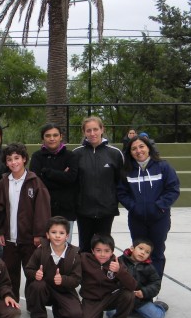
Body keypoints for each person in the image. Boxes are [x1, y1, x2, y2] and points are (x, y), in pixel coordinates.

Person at [117, 135, 180, 278]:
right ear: (130, 152)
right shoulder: (127, 170)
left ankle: (153, 287)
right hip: (137, 219)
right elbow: (121, 193)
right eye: (134, 148)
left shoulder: (163, 167)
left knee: (156, 252)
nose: (138, 151)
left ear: (148, 148)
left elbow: (173, 189)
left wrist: (159, 206)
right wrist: (133, 207)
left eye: (141, 146)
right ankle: (139, 285)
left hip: (159, 218)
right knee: (138, 253)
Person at [0, 143, 51, 297]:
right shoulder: (4, 182)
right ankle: (11, 301)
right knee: (10, 273)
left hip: (29, 239)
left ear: (24, 159)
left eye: (17, 158)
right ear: (6, 162)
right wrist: (0, 231)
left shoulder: (35, 182)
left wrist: (39, 234)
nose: (13, 162)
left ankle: (34, 306)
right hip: (9, 238)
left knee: (32, 273)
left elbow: (42, 211)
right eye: (9, 159)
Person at [24, 216, 82, 318]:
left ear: (67, 236)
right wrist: (35, 274)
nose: (57, 236)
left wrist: (63, 279)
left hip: (63, 291)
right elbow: (28, 269)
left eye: (61, 233)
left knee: (75, 314)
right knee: (37, 286)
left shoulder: (74, 254)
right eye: (53, 232)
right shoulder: (40, 251)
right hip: (44, 289)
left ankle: (59, 312)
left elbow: (77, 279)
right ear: (47, 235)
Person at [73, 116, 124, 252]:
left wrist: (113, 201)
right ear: (84, 132)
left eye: (96, 129)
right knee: (85, 248)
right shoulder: (76, 154)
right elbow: (72, 182)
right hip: (83, 211)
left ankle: (103, 273)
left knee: (103, 248)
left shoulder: (115, 153)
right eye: (88, 130)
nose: (92, 133)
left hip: (106, 210)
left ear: (102, 130)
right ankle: (84, 273)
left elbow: (121, 182)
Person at [79, 234, 137, 318]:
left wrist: (119, 271)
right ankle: (97, 315)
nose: (102, 254)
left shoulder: (117, 263)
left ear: (112, 252)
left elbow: (132, 285)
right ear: (92, 251)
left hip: (110, 297)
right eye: (98, 250)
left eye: (107, 251)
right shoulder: (84, 259)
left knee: (129, 294)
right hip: (91, 300)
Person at [29, 123, 78, 243]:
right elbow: (37, 182)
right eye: (48, 135)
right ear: (43, 138)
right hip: (43, 210)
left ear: (61, 137)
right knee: (44, 250)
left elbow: (71, 179)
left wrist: (47, 172)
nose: (52, 138)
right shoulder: (37, 157)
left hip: (66, 211)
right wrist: (62, 176)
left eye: (55, 135)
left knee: (64, 249)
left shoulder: (70, 156)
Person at [108, 239, 168, 318]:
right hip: (123, 298)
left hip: (141, 301)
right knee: (111, 313)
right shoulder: (120, 262)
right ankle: (132, 310)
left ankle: (159, 306)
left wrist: (144, 292)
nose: (143, 253)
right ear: (132, 248)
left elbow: (156, 284)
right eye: (140, 248)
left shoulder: (149, 267)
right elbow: (111, 280)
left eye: (147, 252)